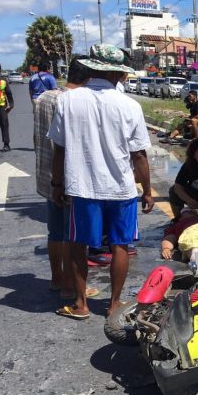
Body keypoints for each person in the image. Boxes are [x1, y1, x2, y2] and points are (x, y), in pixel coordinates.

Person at [48, 44, 154, 320]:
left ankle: (81, 304)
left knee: (78, 244)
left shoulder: (67, 100)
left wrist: (57, 184)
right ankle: (114, 304)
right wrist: (147, 191)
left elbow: (59, 148)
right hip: (121, 189)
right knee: (120, 245)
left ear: (92, 67)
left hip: (82, 188)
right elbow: (139, 155)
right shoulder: (130, 105)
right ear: (119, 72)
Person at [34, 56, 97, 300]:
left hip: (46, 173)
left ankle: (56, 279)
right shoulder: (73, 101)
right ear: (88, 78)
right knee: (74, 234)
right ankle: (72, 286)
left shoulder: (42, 99)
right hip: (69, 176)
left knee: (55, 232)